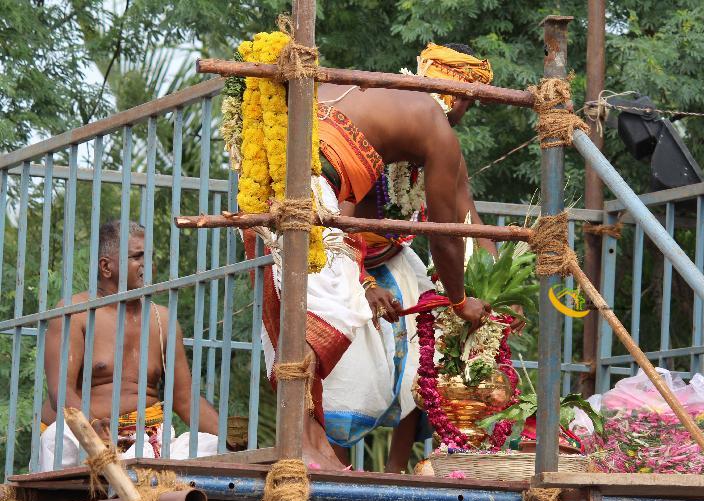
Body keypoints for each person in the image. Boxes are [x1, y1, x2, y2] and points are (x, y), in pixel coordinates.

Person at [244, 42, 497, 471]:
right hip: (305, 187)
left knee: (301, 312)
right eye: (470, 100)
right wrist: (459, 301)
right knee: (328, 315)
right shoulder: (437, 128)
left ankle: (314, 441)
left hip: (274, 174)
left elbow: (466, 217)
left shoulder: (384, 93)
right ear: (464, 95)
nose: (467, 109)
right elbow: (445, 237)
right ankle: (299, 443)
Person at [37, 221, 219, 471]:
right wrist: (91, 427)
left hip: (148, 438)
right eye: (137, 256)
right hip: (86, 434)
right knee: (57, 439)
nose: (149, 265)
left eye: (150, 257)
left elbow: (184, 398)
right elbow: (61, 393)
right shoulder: (74, 312)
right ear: (106, 266)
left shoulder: (162, 320)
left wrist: (233, 440)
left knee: (211, 445)